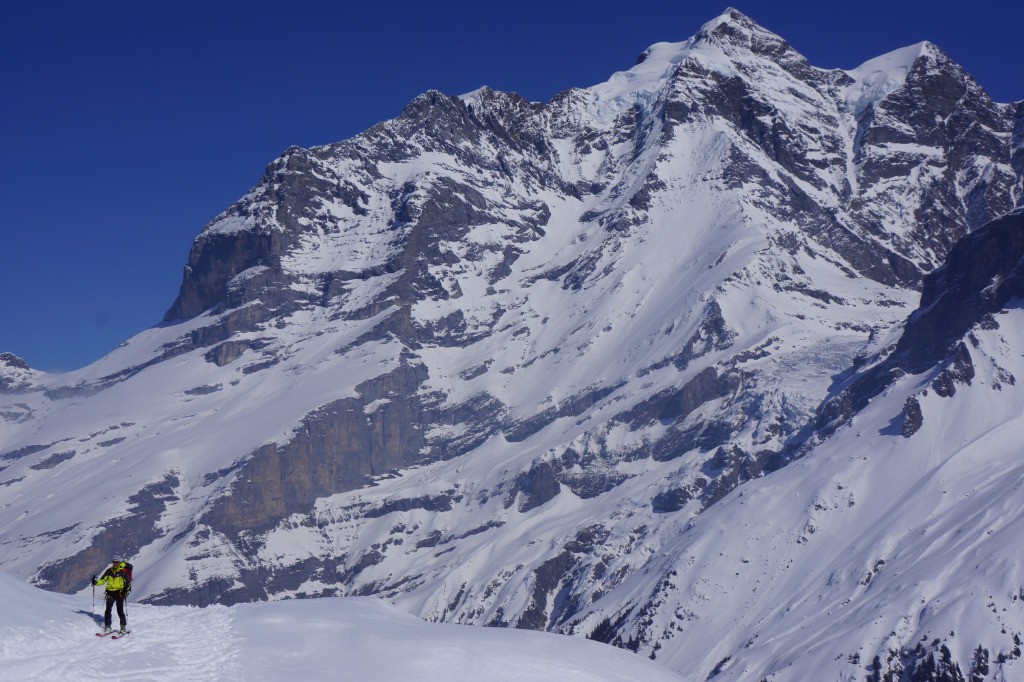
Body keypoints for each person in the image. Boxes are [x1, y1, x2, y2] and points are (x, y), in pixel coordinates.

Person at [93, 559, 129, 634]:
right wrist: (96, 582)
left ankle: (123, 627)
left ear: (119, 563)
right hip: (110, 593)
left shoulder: (123, 571)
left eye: (117, 562)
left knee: (120, 610)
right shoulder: (109, 571)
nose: (115, 563)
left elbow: (128, 582)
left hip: (120, 593)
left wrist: (126, 590)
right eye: (114, 562)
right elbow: (102, 580)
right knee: (108, 610)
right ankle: (108, 626)